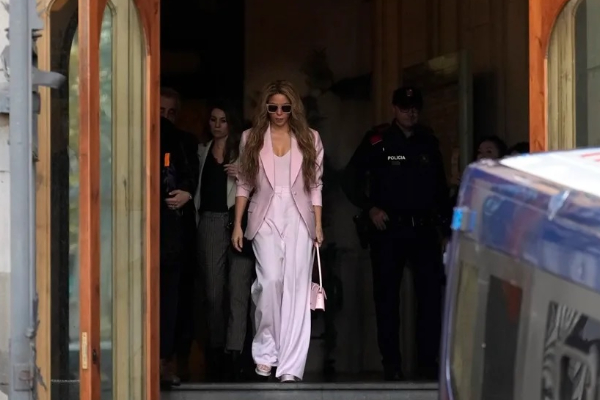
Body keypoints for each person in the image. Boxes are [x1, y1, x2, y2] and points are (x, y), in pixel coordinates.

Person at [342, 86, 449, 381]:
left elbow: (441, 189)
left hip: (424, 230)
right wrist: (370, 208)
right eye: (404, 107)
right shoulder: (378, 141)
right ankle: (392, 365)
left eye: (415, 107)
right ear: (393, 109)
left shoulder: (428, 141)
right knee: (387, 300)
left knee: (430, 300)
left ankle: (428, 365)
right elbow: (350, 179)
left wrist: (447, 228)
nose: (410, 112)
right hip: (389, 230)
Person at [231, 80, 324, 383]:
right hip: (264, 214)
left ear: (293, 108)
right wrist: (237, 223)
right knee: (270, 281)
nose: (280, 112)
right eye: (274, 107)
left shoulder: (310, 138)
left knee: (297, 288)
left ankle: (290, 366)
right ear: (266, 108)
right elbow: (244, 182)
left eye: (285, 107)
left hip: (300, 216)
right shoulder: (251, 138)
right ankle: (266, 352)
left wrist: (319, 225)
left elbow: (315, 186)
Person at [193, 100, 255, 381]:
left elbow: (266, 182)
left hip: (238, 221)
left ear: (232, 123)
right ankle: (216, 351)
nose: (217, 125)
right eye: (213, 120)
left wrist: (243, 174)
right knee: (213, 292)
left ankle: (236, 354)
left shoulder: (245, 149)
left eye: (223, 120)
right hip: (209, 221)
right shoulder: (201, 151)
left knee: (239, 289)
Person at [159, 116, 199, 387]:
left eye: (172, 111)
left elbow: (190, 177)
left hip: (173, 235)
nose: (165, 116)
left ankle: (166, 361)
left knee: (173, 299)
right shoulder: (135, 135)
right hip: (137, 232)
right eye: (161, 109)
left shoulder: (183, 141)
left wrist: (188, 192)